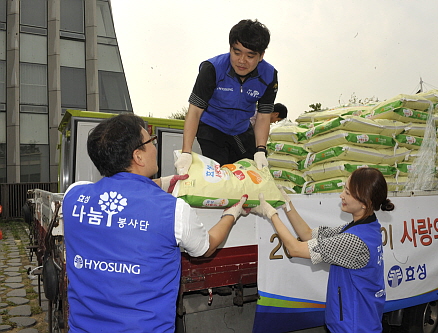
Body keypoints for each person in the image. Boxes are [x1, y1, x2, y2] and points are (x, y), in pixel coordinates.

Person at [62, 114, 248, 333]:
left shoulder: (73, 196)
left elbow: (121, 190)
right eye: (151, 141)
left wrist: (158, 183)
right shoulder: (173, 210)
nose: (154, 147)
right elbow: (206, 247)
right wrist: (231, 214)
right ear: (138, 156)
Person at [252, 168, 395, 333]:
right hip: (357, 323)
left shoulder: (353, 241)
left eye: (348, 193)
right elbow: (307, 234)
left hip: (354, 327)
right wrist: (287, 205)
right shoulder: (366, 227)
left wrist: (271, 214)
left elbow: (295, 249)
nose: (341, 195)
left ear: (364, 202)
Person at [175, 19, 278, 174]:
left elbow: (263, 116)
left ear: (261, 55)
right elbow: (195, 111)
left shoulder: (269, 76)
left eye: (250, 56)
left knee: (250, 175)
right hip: (212, 128)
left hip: (242, 129)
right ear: (230, 48)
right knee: (220, 175)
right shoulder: (212, 69)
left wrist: (261, 150)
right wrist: (186, 152)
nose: (242, 61)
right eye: (237, 53)